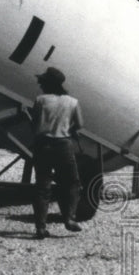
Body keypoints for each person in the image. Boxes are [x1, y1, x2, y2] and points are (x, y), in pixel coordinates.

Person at [30, 66, 84, 239]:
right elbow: (81, 124)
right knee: (72, 183)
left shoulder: (40, 100)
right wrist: (68, 128)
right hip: (63, 145)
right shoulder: (72, 102)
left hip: (43, 145)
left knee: (42, 186)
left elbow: (35, 124)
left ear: (46, 84)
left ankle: (40, 227)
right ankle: (69, 218)